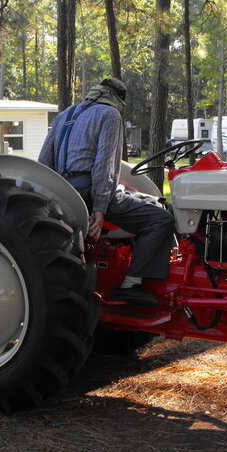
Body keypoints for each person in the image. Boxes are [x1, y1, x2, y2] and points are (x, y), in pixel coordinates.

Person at [38, 78, 174, 307]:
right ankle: (131, 284)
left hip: (62, 191)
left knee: (150, 201)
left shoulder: (65, 115)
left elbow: (44, 162)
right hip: (89, 191)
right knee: (161, 218)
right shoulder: (109, 115)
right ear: (118, 100)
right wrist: (100, 208)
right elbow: (105, 166)